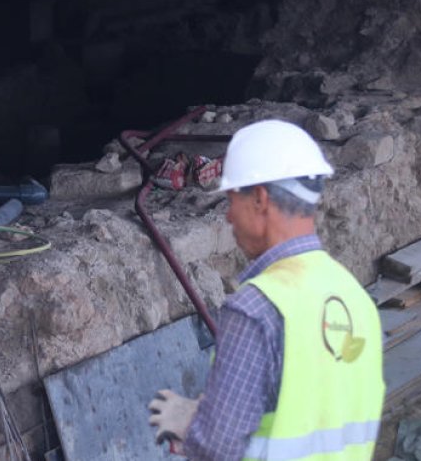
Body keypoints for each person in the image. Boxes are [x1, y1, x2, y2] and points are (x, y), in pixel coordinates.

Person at [148, 119, 384, 460]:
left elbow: (219, 446)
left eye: (231, 200)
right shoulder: (354, 297)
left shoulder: (257, 309)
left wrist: (187, 423)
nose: (228, 217)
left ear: (259, 198)